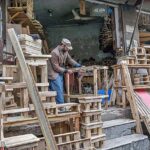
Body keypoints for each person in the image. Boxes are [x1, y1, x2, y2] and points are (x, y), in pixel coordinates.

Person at [48, 38, 81, 104]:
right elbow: (55, 67)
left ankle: (59, 106)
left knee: (61, 90)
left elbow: (70, 60)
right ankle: (61, 108)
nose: (68, 49)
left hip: (60, 72)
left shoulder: (65, 51)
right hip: (53, 73)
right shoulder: (54, 53)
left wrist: (78, 65)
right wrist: (66, 71)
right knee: (58, 90)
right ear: (63, 45)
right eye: (67, 47)